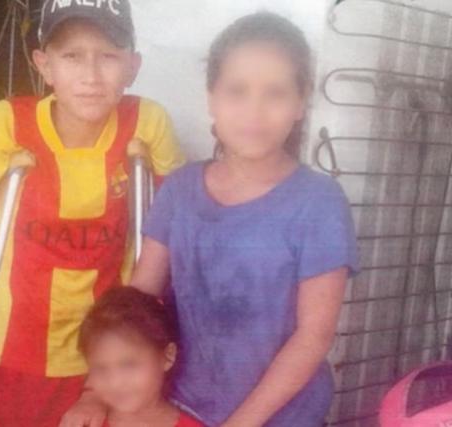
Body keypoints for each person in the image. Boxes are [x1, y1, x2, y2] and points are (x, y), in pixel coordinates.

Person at [0, 0, 186, 425]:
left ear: (132, 67)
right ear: (44, 65)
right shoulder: (5, 125)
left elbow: (174, 228)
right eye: (72, 56)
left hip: (108, 364)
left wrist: (99, 387)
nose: (91, 75)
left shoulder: (146, 123)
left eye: (108, 56)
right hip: (9, 354)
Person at [129, 12, 360, 427]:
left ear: (300, 102)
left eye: (275, 93)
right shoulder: (179, 191)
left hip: (284, 418)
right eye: (237, 91)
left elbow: (313, 337)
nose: (255, 111)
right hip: (183, 408)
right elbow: (137, 303)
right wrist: (98, 392)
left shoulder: (319, 204)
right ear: (211, 99)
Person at [78, 286, 203, 427]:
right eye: (101, 369)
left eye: (129, 365)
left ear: (168, 356)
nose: (115, 382)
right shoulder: (83, 423)